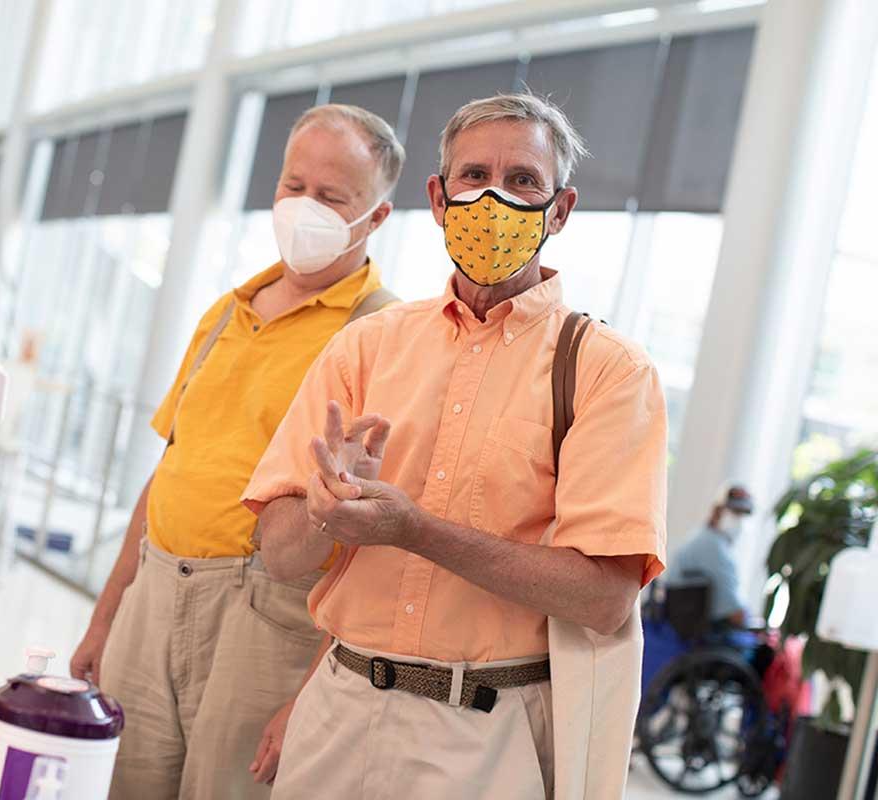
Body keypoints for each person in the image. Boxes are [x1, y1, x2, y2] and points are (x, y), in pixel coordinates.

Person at [242, 93, 669, 799]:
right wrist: (327, 509)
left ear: (559, 211)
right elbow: (281, 556)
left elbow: (603, 598)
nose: (493, 197)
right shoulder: (369, 347)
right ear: (439, 198)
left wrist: (413, 530)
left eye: (524, 180)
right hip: (338, 708)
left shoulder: (608, 371)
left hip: (484, 736)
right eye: (473, 176)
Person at [68, 104, 404, 799]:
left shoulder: (382, 338)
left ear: (375, 218)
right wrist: (107, 617)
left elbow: (371, 551)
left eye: (331, 196)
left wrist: (310, 693)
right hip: (154, 594)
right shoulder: (224, 313)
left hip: (268, 618)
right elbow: (169, 469)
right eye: (293, 186)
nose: (303, 207)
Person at [668, 484, 755, 629]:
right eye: (735, 512)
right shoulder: (712, 546)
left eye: (743, 514)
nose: (739, 520)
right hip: (701, 636)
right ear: (718, 511)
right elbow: (735, 613)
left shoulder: (705, 538)